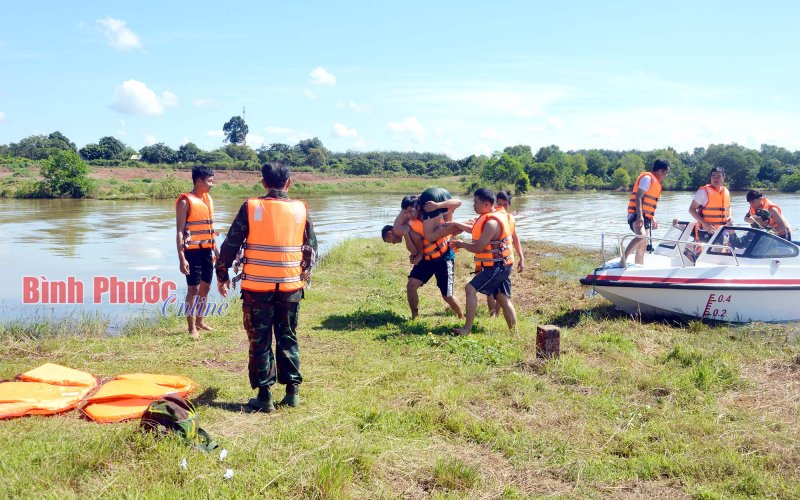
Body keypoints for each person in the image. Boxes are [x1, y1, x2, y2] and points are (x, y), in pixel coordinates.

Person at [216, 161, 317, 412]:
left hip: (257, 288)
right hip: (291, 288)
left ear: (263, 182)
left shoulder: (251, 207)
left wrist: (222, 273)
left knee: (259, 340)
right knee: (288, 336)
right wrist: (301, 275)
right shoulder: (301, 210)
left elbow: (231, 243)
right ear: (289, 182)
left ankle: (265, 396)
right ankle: (292, 393)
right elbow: (312, 250)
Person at [382, 194, 464, 320]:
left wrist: (438, 205)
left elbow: (457, 203)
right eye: (406, 212)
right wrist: (416, 253)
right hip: (426, 259)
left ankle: (461, 317)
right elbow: (414, 249)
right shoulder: (409, 224)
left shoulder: (432, 211)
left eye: (411, 211)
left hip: (443, 256)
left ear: (418, 207)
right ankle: (415, 317)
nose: (409, 214)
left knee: (447, 296)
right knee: (411, 286)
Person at [449, 188, 516, 335]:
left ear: (486, 204)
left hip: (497, 266)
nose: (473, 205)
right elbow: (476, 231)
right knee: (503, 299)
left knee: (470, 289)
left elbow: (478, 247)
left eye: (476, 202)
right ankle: (514, 334)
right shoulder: (492, 217)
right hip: (502, 265)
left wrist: (461, 244)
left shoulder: (492, 223)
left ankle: (467, 328)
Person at [175, 165, 218, 339]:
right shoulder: (185, 201)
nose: (212, 185)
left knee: (206, 288)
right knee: (193, 289)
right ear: (199, 181)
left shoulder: (207, 199)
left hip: (207, 250)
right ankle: (191, 327)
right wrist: (181, 258)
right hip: (192, 252)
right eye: (209, 181)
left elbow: (210, 228)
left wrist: (217, 249)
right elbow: (179, 231)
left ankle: (200, 321)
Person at [620, 159, 670, 267]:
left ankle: (639, 267)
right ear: (660, 171)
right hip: (636, 215)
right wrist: (639, 216)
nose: (666, 176)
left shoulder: (657, 184)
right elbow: (638, 196)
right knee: (641, 236)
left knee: (643, 246)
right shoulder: (647, 178)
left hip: (646, 216)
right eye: (666, 173)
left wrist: (653, 218)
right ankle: (623, 260)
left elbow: (650, 204)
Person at [487, 191, 525, 316]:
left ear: (509, 205)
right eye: (499, 203)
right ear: (494, 203)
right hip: (490, 259)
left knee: (501, 289)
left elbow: (515, 238)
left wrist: (521, 257)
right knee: (490, 289)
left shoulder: (510, 218)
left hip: (505, 261)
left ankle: (496, 314)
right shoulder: (490, 217)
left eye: (505, 205)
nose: (502, 207)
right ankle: (492, 315)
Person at [689, 166, 732, 243]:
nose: (715, 179)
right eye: (713, 176)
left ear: (723, 177)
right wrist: (705, 224)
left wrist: (730, 216)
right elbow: (691, 209)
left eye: (718, 176)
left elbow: (728, 207)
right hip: (707, 231)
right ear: (710, 178)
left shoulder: (726, 191)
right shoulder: (703, 192)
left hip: (723, 230)